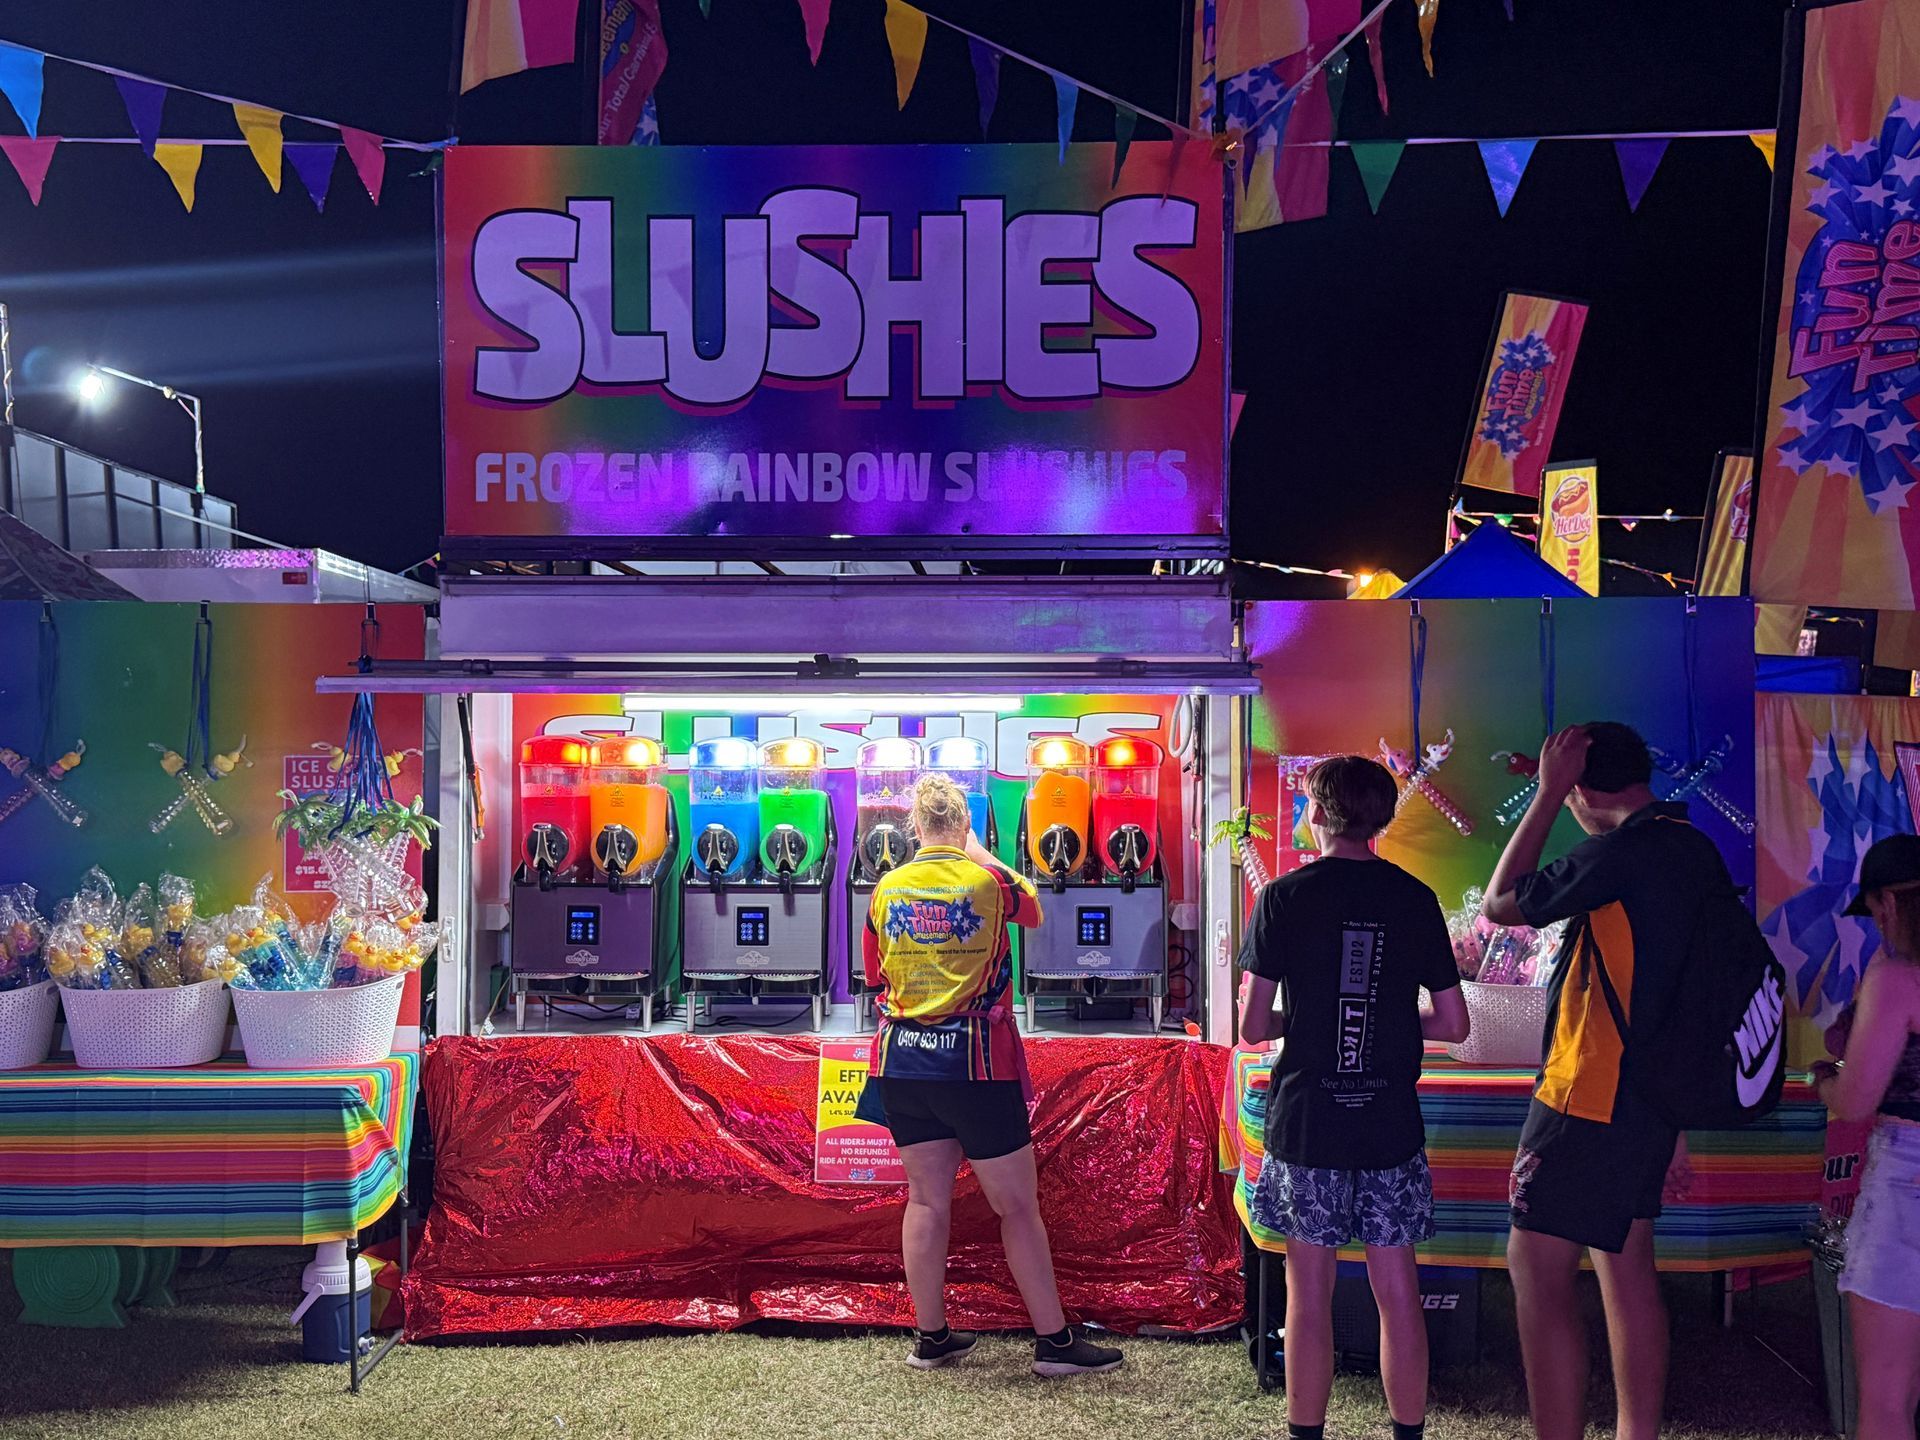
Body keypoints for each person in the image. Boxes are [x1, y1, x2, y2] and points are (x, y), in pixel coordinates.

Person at [1483, 721, 1730, 1440]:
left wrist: (1546, 793)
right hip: (1649, 1100)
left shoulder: (1619, 854)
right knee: (1628, 1268)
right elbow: (1691, 998)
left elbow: (1503, 905)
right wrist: (1675, 1122)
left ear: (1582, 787)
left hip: (1586, 1093)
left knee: (1535, 1267)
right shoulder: (1693, 849)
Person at [1237, 754, 1470, 1440]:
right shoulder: (1414, 898)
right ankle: (1407, 1434)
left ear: (1318, 813)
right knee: (1397, 1294)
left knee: (1308, 1297)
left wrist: (1303, 1020)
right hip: (1389, 1124)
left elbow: (1253, 1028)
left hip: (1310, 1123)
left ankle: (1307, 1433)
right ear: (1380, 820)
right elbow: (1454, 1024)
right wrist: (1394, 1021)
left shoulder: (1283, 897)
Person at [861, 772, 1123, 1378]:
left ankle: (932, 1338)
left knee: (926, 1200)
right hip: (975, 1063)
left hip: (901, 1060)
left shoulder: (887, 888)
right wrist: (978, 852)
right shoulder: (989, 879)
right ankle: (1054, 1345)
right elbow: (1033, 911)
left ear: (914, 829)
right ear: (965, 824)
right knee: (1017, 1208)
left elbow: (874, 977)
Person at [1810, 834, 1920, 1440]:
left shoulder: (1897, 974)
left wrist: (1823, 1082)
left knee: (1885, 1401)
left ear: (1888, 904)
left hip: (1908, 1183)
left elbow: (1855, 1102)